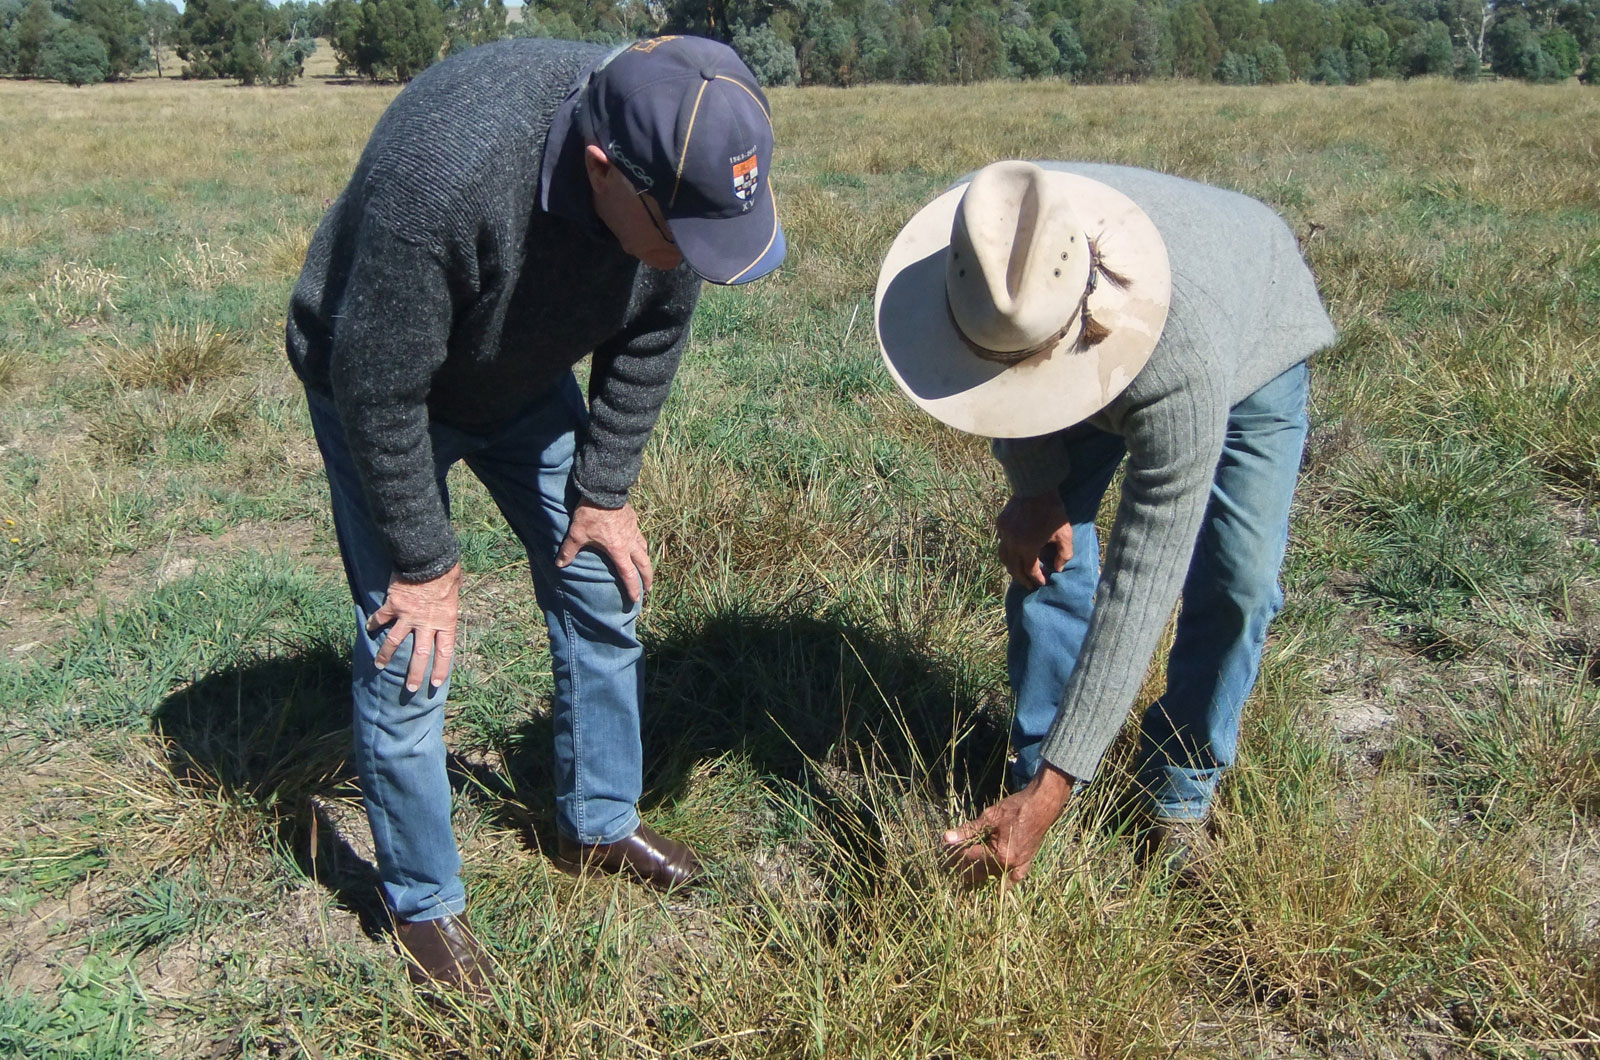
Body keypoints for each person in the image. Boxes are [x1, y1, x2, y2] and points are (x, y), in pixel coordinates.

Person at [285, 35, 785, 993]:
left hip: (517, 371)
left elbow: (654, 329)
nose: (693, 260)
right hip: (383, 389)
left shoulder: (677, 170)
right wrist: (425, 562)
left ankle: (597, 823)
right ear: (602, 169)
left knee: (600, 581)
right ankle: (423, 905)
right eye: (681, 236)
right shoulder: (444, 176)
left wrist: (604, 491)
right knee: (409, 645)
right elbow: (377, 385)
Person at [873, 160, 1335, 887]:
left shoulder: (1178, 367)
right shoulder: (992, 245)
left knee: (1236, 580)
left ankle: (1177, 790)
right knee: (1045, 557)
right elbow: (996, 378)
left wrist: (1053, 794)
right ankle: (1034, 763)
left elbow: (1142, 585)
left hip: (1248, 340)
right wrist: (1035, 492)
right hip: (1073, 332)